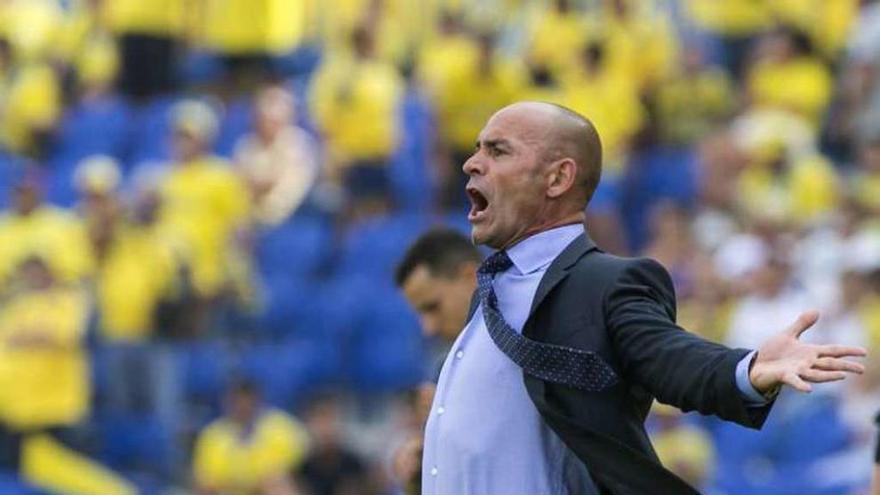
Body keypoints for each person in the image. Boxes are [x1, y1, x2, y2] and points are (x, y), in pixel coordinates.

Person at [421, 101, 867, 494]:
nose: (471, 163)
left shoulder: (603, 282)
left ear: (558, 178)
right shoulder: (491, 293)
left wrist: (745, 369)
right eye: (478, 148)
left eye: (498, 150)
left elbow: (667, 356)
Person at [192, 380, 308, 495]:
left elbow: (286, 471)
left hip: (266, 490)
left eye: (246, 399)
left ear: (257, 399)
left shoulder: (283, 427)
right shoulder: (212, 435)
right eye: (236, 400)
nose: (242, 405)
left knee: (279, 486)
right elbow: (208, 481)